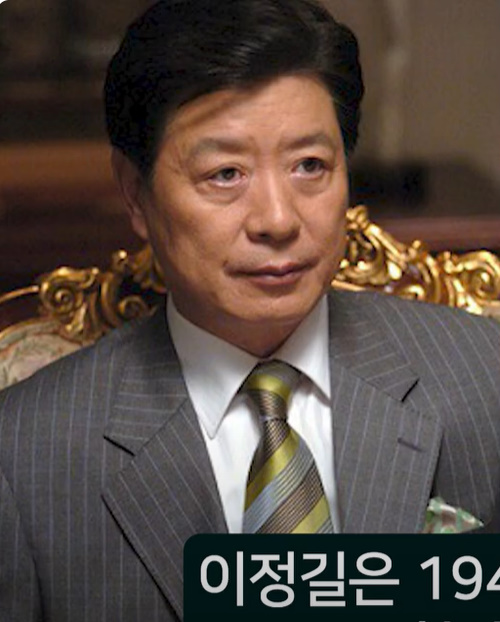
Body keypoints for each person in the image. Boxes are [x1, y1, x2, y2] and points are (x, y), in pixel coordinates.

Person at [1, 0, 499, 620]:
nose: (278, 219)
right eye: (225, 174)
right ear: (135, 192)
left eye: (310, 166)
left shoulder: (484, 377)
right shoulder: (25, 454)